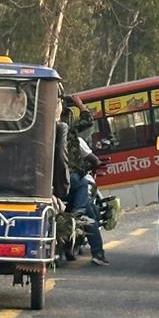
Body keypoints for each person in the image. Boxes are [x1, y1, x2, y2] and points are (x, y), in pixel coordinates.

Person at [55, 97, 108, 266]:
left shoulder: (43, 132)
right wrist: (79, 103)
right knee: (86, 214)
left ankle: (63, 248)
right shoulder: (69, 132)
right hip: (76, 180)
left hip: (53, 184)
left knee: (62, 214)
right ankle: (98, 254)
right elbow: (87, 119)